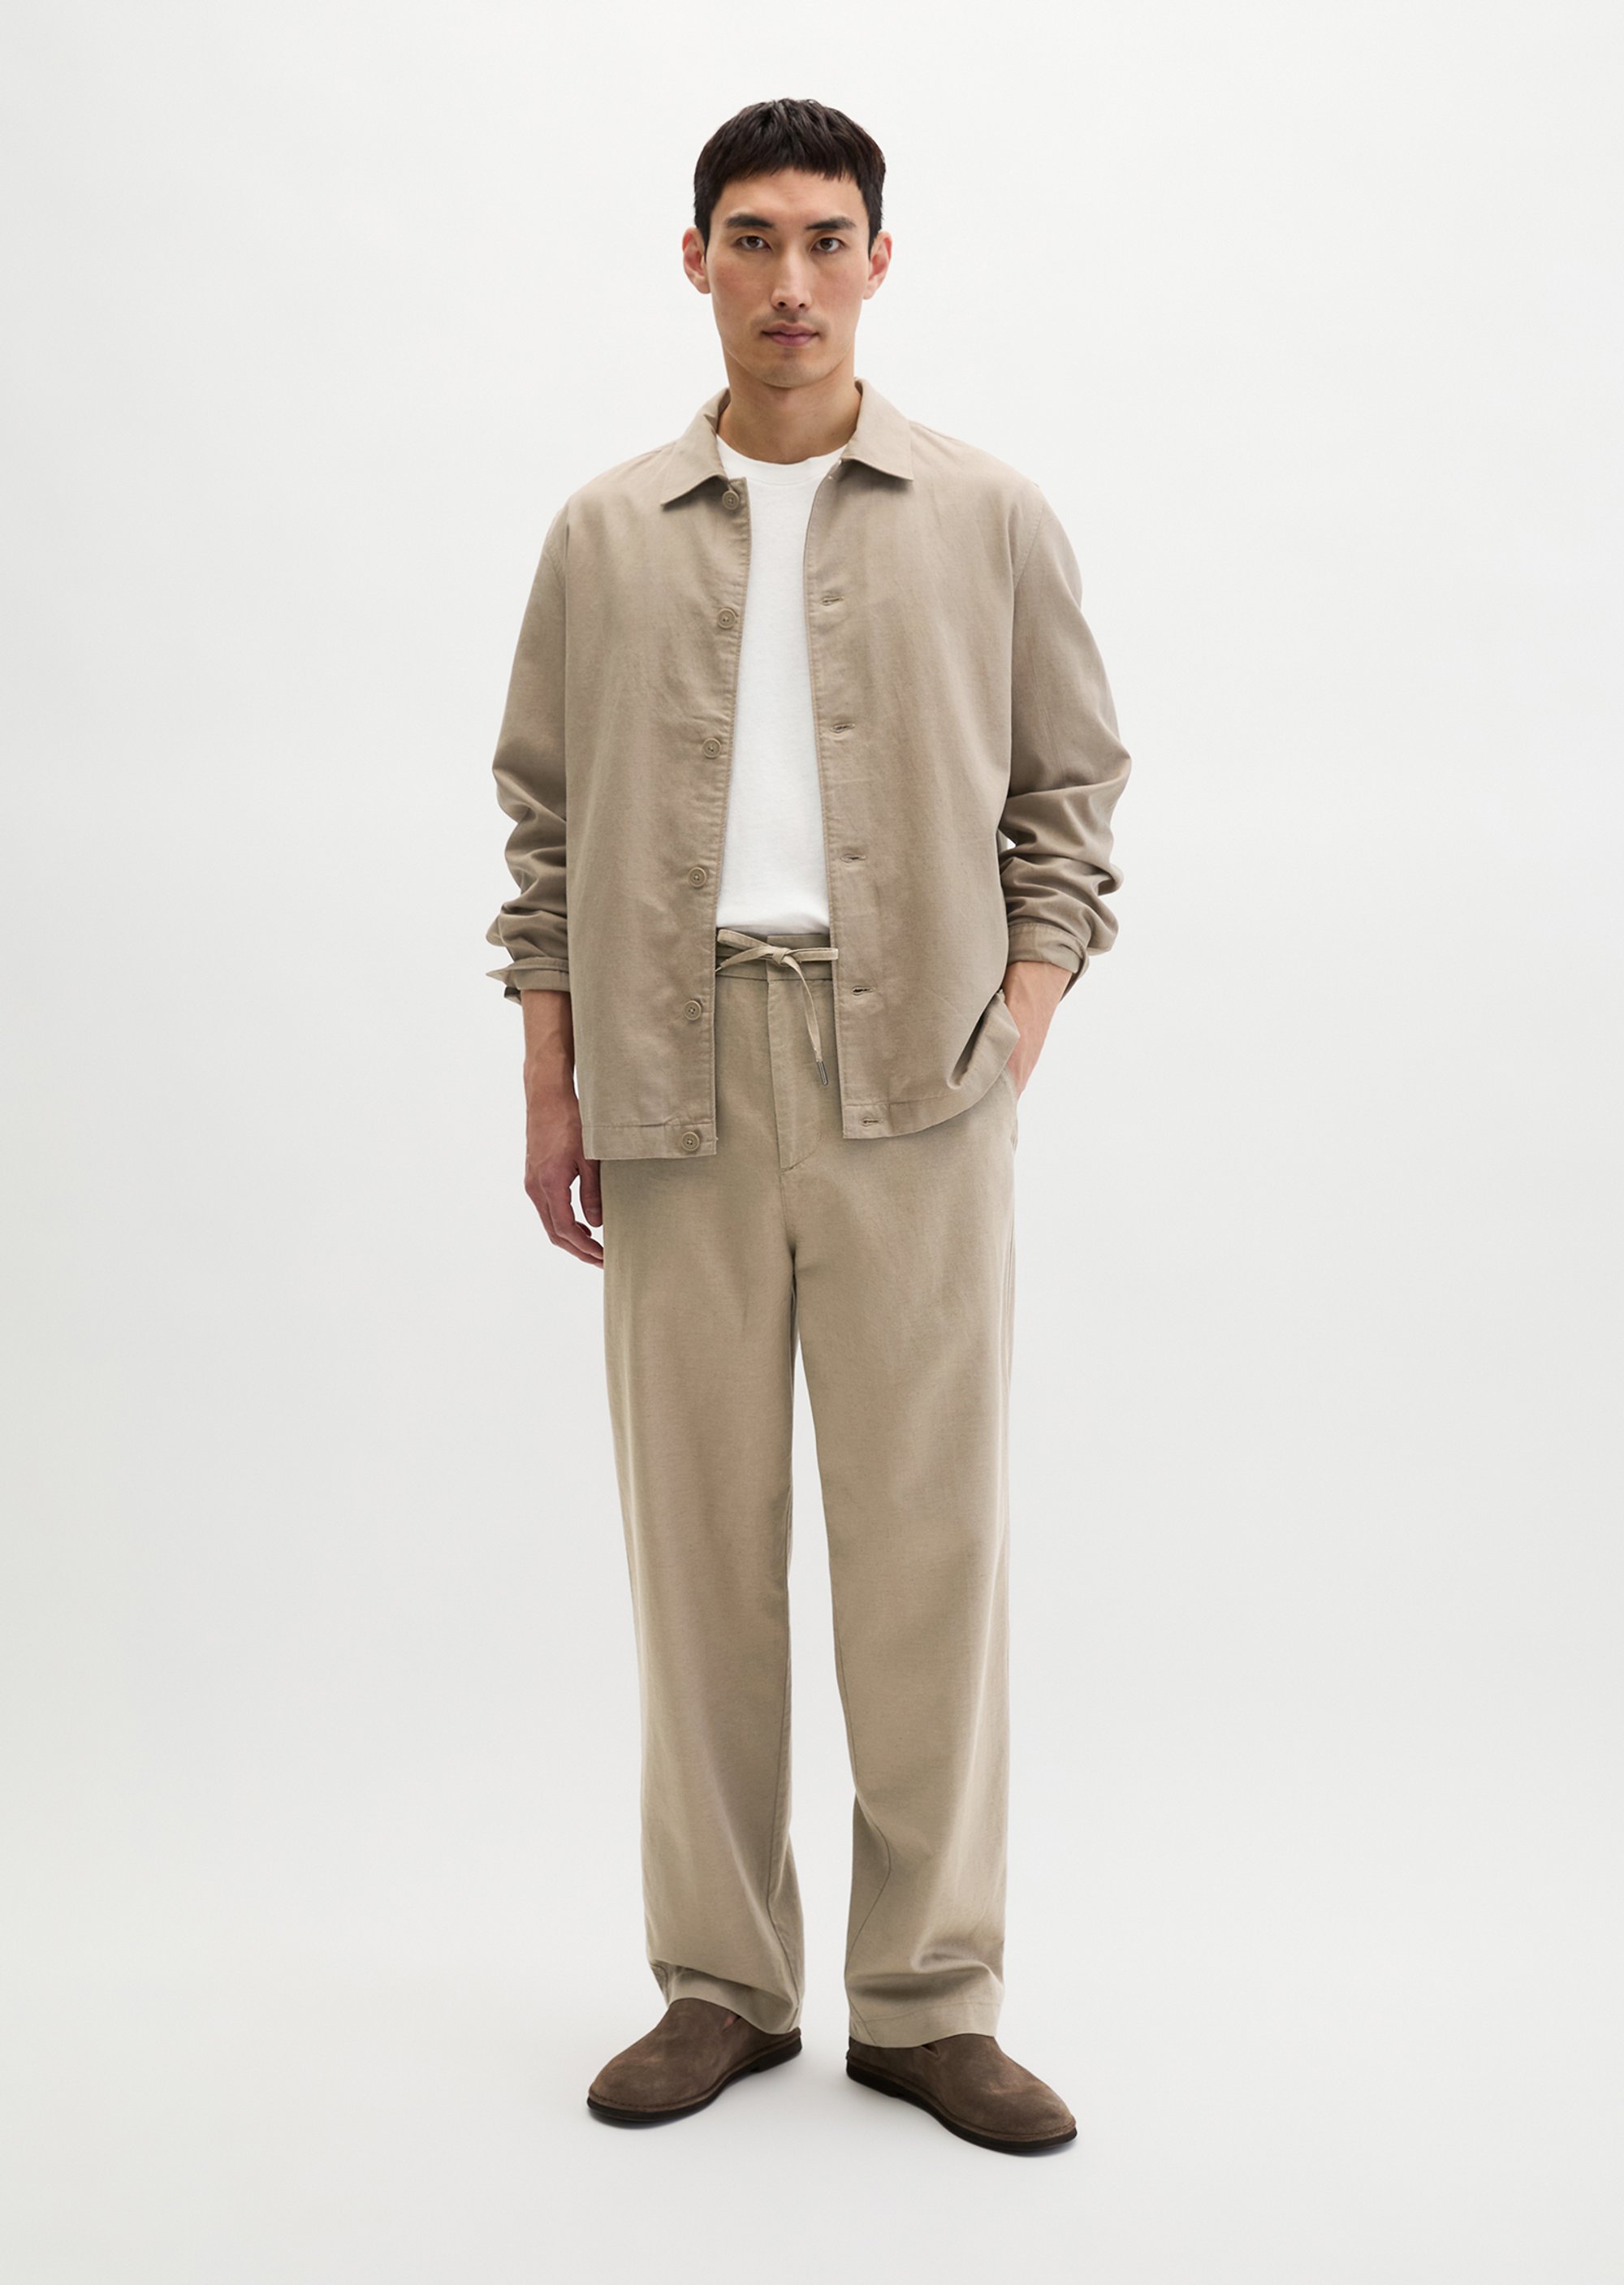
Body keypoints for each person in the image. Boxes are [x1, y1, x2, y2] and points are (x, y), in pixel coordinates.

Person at [484, 97, 1130, 2157]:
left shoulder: (985, 515)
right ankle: (722, 1985)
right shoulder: (602, 533)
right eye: (750, 239)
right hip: (671, 1077)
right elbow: (543, 828)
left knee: (927, 1549)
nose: (789, 280)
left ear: (878, 263)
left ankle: (929, 2002)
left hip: (915, 1082)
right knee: (701, 1555)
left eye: (825, 239)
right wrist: (554, 1079)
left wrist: (1014, 1023)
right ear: (694, 260)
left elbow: (1070, 799)